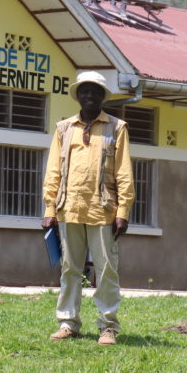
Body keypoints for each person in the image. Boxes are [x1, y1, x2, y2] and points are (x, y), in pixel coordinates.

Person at [42, 70, 135, 345]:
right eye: (85, 91)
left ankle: (108, 326)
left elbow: (124, 173)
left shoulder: (117, 127)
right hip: (68, 208)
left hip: (103, 210)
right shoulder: (63, 128)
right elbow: (53, 171)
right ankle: (68, 322)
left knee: (106, 269)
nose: (90, 96)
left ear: (102, 96)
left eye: (95, 91)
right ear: (78, 95)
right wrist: (49, 209)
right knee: (70, 268)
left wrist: (123, 212)